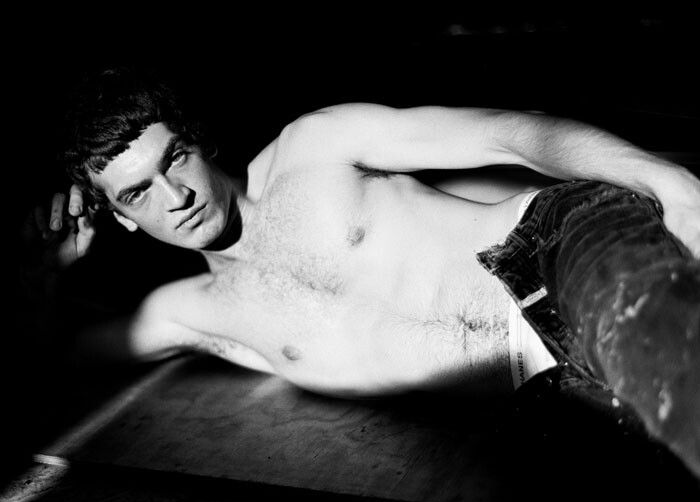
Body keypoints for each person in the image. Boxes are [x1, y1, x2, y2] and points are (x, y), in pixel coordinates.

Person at [21, 67, 700, 480]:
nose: (176, 196)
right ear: (122, 218)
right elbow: (58, 355)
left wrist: (672, 183)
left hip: (552, 248)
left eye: (174, 159)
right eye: (138, 192)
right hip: (544, 396)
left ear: (198, 141)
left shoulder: (313, 145)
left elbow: (510, 131)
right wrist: (51, 270)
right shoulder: (190, 310)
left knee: (667, 357)